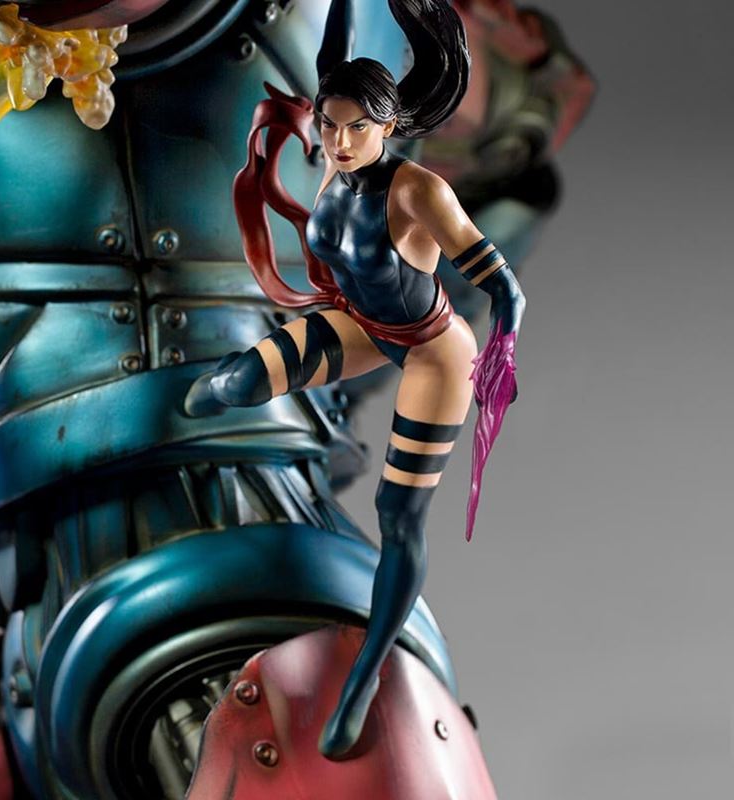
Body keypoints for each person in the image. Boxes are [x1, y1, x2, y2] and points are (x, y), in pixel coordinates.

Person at [185, 0, 525, 759]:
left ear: (390, 124)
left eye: (356, 128)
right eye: (329, 125)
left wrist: (504, 349)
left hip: (433, 349)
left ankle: (365, 677)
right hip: (364, 325)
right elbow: (331, 53)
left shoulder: (417, 191)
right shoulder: (337, 159)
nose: (338, 142)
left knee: (398, 517)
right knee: (222, 389)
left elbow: (504, 286)